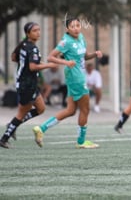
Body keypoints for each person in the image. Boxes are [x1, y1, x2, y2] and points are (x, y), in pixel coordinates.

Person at [33, 16, 103, 149]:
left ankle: (41, 128)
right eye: (72, 26)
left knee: (71, 110)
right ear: (67, 29)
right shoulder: (66, 42)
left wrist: (95, 54)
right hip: (76, 77)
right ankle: (81, 142)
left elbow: (84, 56)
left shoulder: (81, 38)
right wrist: (66, 62)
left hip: (76, 76)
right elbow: (50, 57)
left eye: (78, 25)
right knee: (85, 109)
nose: (76, 28)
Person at [0, 22, 57, 149]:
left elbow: (14, 57)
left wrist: (29, 63)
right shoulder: (32, 48)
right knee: (20, 114)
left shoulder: (23, 45)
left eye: (39, 30)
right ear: (28, 33)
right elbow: (33, 67)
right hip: (27, 85)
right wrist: (49, 65)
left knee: (41, 108)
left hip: (29, 84)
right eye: (35, 30)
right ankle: (4, 139)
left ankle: (13, 125)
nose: (38, 32)